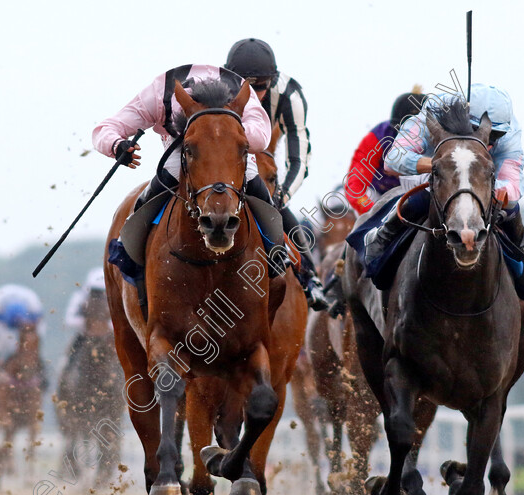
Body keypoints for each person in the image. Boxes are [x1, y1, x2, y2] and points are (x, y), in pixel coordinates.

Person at [93, 55, 327, 309]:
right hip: (183, 150)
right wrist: (117, 145)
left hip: (230, 149)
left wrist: (219, 136)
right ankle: (133, 265)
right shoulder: (157, 94)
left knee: (269, 203)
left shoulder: (241, 91)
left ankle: (279, 259)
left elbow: (259, 138)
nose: (261, 90)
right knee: (145, 200)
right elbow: (105, 128)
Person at [365, 83, 524, 297]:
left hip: (483, 181)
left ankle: (522, 255)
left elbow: (513, 180)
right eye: (478, 131)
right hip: (436, 176)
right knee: (423, 198)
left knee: (511, 206)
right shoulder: (435, 111)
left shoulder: (510, 132)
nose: (488, 142)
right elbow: (393, 160)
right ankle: (383, 236)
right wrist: (440, 165)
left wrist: (498, 190)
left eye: (495, 136)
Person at [223, 38, 327, 309]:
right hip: (224, 160)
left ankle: (309, 277)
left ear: (273, 80)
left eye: (261, 87)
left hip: (262, 157)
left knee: (276, 204)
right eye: (245, 86)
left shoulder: (290, 95)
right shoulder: (215, 88)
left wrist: (282, 194)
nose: (254, 94)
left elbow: (299, 157)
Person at [343, 87, 427, 215]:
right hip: (378, 196)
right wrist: (371, 211)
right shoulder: (378, 137)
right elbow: (356, 186)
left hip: (417, 194)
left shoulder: (436, 138)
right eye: (401, 131)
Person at [0, 284, 45, 391]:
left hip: (29, 324)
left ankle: (44, 377)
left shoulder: (33, 305)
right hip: (3, 327)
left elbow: (40, 329)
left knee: (33, 347)